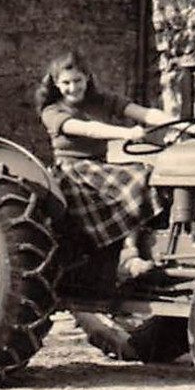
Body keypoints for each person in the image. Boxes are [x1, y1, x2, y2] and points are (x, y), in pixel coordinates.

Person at [35, 50, 171, 282]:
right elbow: (87, 129)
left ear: (87, 77)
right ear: (56, 84)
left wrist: (176, 123)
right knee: (135, 180)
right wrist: (127, 133)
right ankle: (128, 256)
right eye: (66, 83)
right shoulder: (52, 112)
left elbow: (144, 113)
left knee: (153, 174)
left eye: (77, 80)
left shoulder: (102, 100)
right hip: (74, 172)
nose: (73, 87)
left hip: (101, 168)